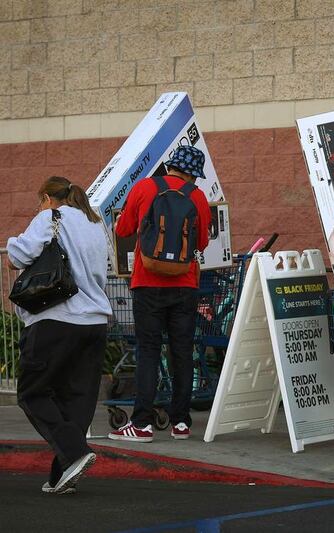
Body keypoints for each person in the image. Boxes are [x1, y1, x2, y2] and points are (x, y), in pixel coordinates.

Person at [8, 176, 112, 494]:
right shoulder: (97, 222)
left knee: (32, 391)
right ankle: (62, 474)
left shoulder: (50, 217)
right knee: (76, 399)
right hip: (94, 321)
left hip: (57, 318)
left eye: (39, 201)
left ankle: (75, 454)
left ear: (48, 198)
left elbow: (17, 257)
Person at [109, 145, 212, 443]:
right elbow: (202, 243)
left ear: (170, 166)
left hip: (148, 284)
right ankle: (181, 423)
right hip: (185, 285)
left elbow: (124, 229)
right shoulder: (198, 197)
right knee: (181, 352)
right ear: (192, 174)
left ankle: (141, 424)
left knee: (149, 351)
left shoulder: (144, 187)